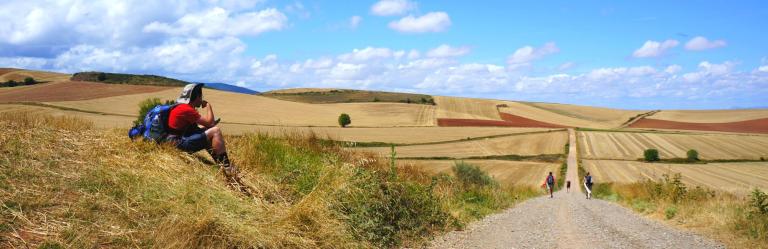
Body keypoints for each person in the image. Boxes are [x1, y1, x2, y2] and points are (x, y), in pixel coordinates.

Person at [167, 83, 237, 177]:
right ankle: (227, 167)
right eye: (201, 96)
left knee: (206, 132)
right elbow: (210, 123)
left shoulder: (179, 107)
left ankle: (221, 165)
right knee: (215, 130)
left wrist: (207, 128)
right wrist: (208, 106)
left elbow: (197, 128)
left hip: (174, 141)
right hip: (178, 144)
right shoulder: (186, 109)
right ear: (196, 97)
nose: (202, 99)